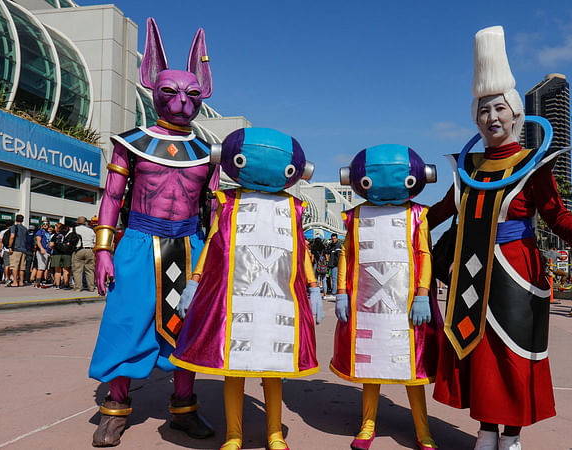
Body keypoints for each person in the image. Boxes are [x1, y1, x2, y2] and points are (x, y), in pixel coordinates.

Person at [427, 26, 572, 450]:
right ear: (476, 118)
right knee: (481, 355)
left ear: (515, 114)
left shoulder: (534, 165)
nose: (492, 118)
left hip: (517, 273)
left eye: (498, 109)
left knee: (513, 355)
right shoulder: (466, 168)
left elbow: (559, 218)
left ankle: (511, 434)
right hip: (472, 276)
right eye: (483, 110)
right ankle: (486, 429)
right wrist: (394, 215)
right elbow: (434, 216)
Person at [87, 18, 218, 447]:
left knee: (188, 328)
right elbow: (111, 197)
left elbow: (215, 208)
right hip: (139, 243)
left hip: (190, 244)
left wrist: (218, 255)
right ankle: (115, 410)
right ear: (151, 85)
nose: (182, 100)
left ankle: (183, 409)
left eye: (191, 93)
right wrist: (103, 250)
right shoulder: (130, 143)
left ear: (203, 92)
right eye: (171, 91)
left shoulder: (208, 154)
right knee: (126, 323)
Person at [171, 127, 322, 450]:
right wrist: (194, 283)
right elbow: (213, 242)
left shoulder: (294, 207)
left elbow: (301, 250)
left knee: (273, 369)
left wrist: (313, 287)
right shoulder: (226, 200)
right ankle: (234, 434)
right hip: (234, 299)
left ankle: (274, 433)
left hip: (279, 302)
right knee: (234, 368)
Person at [330, 144, 440, 450]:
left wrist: (422, 293)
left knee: (411, 369)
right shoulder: (354, 215)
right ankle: (367, 425)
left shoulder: (417, 214)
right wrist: (341, 293)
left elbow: (424, 253)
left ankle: (423, 429)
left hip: (405, 305)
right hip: (367, 306)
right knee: (371, 365)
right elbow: (346, 254)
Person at [72, 216, 96, 292]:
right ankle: (91, 287)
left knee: (77, 270)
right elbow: (95, 242)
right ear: (85, 223)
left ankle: (78, 288)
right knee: (90, 270)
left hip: (78, 250)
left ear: (78, 222)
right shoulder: (91, 231)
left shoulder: (74, 229)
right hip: (89, 250)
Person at [49, 223, 73, 290]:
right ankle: (66, 285)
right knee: (66, 270)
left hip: (57, 254)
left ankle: (57, 285)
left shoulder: (55, 235)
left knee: (57, 271)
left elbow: (51, 245)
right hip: (66, 254)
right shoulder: (68, 235)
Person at [34, 221, 52, 288]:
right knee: (41, 267)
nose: (45, 225)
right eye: (44, 224)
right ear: (41, 225)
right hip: (42, 251)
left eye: (47, 224)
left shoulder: (48, 233)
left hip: (48, 251)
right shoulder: (40, 232)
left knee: (45, 268)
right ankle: (37, 283)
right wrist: (41, 248)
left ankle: (42, 281)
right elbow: (38, 241)